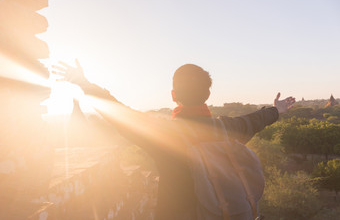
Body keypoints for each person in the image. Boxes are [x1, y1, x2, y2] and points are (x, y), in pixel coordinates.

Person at [53, 61, 295, 220]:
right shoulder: (227, 128)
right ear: (208, 94)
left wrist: (84, 84)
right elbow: (254, 120)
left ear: (173, 95)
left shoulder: (165, 134)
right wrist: (277, 110)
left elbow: (120, 113)